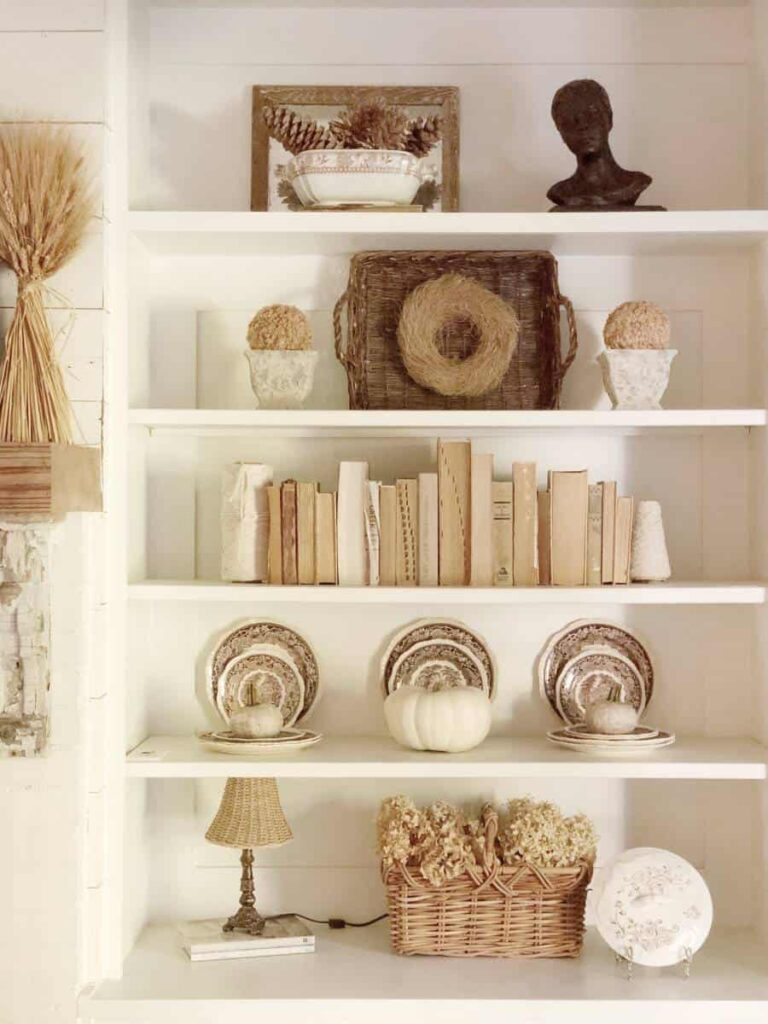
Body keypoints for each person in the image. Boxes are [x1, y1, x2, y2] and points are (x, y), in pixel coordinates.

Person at [547, 79, 655, 210]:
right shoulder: (562, 193)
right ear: (560, 132)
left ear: (609, 119)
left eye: (591, 114)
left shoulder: (636, 183)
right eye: (570, 120)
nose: (582, 126)